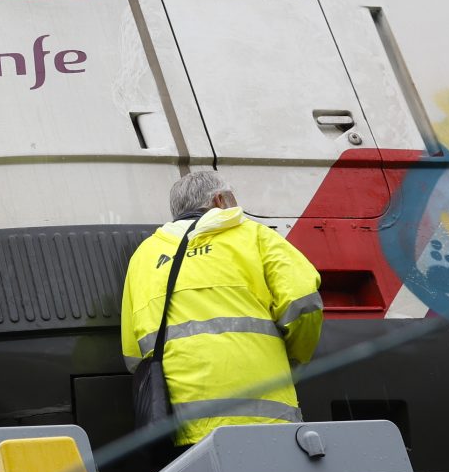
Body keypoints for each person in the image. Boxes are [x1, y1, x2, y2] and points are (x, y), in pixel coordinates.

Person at [121, 169, 324, 455]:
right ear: (219, 200)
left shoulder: (143, 256)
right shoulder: (255, 236)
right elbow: (303, 303)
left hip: (181, 426)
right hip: (264, 414)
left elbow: (133, 353)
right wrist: (294, 360)